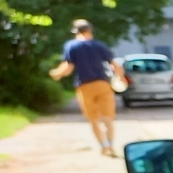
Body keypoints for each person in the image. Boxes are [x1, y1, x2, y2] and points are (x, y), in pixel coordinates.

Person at [50, 20, 124, 157]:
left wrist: (57, 73)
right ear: (90, 31)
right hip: (103, 84)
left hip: (84, 86)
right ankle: (111, 145)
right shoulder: (99, 45)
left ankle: (104, 146)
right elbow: (115, 65)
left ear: (75, 32)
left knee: (93, 119)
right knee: (108, 118)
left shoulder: (72, 46)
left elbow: (68, 68)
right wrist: (121, 78)